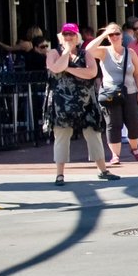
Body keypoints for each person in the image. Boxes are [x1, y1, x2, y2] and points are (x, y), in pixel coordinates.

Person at [46, 23, 118, 186]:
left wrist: (68, 69)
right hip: (62, 102)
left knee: (93, 134)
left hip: (86, 101)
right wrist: (66, 52)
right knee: (61, 136)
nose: (68, 37)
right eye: (65, 34)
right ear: (61, 36)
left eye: (71, 34)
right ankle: (59, 174)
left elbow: (91, 72)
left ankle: (103, 170)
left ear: (77, 37)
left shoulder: (85, 53)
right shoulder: (54, 52)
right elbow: (55, 68)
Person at [89, 23, 138, 164]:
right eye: (111, 35)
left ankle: (135, 148)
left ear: (122, 36)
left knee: (134, 123)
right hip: (110, 93)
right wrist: (103, 34)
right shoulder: (103, 52)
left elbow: (137, 74)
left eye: (117, 34)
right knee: (114, 124)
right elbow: (88, 50)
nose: (114, 37)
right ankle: (115, 155)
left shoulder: (130, 53)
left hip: (129, 92)